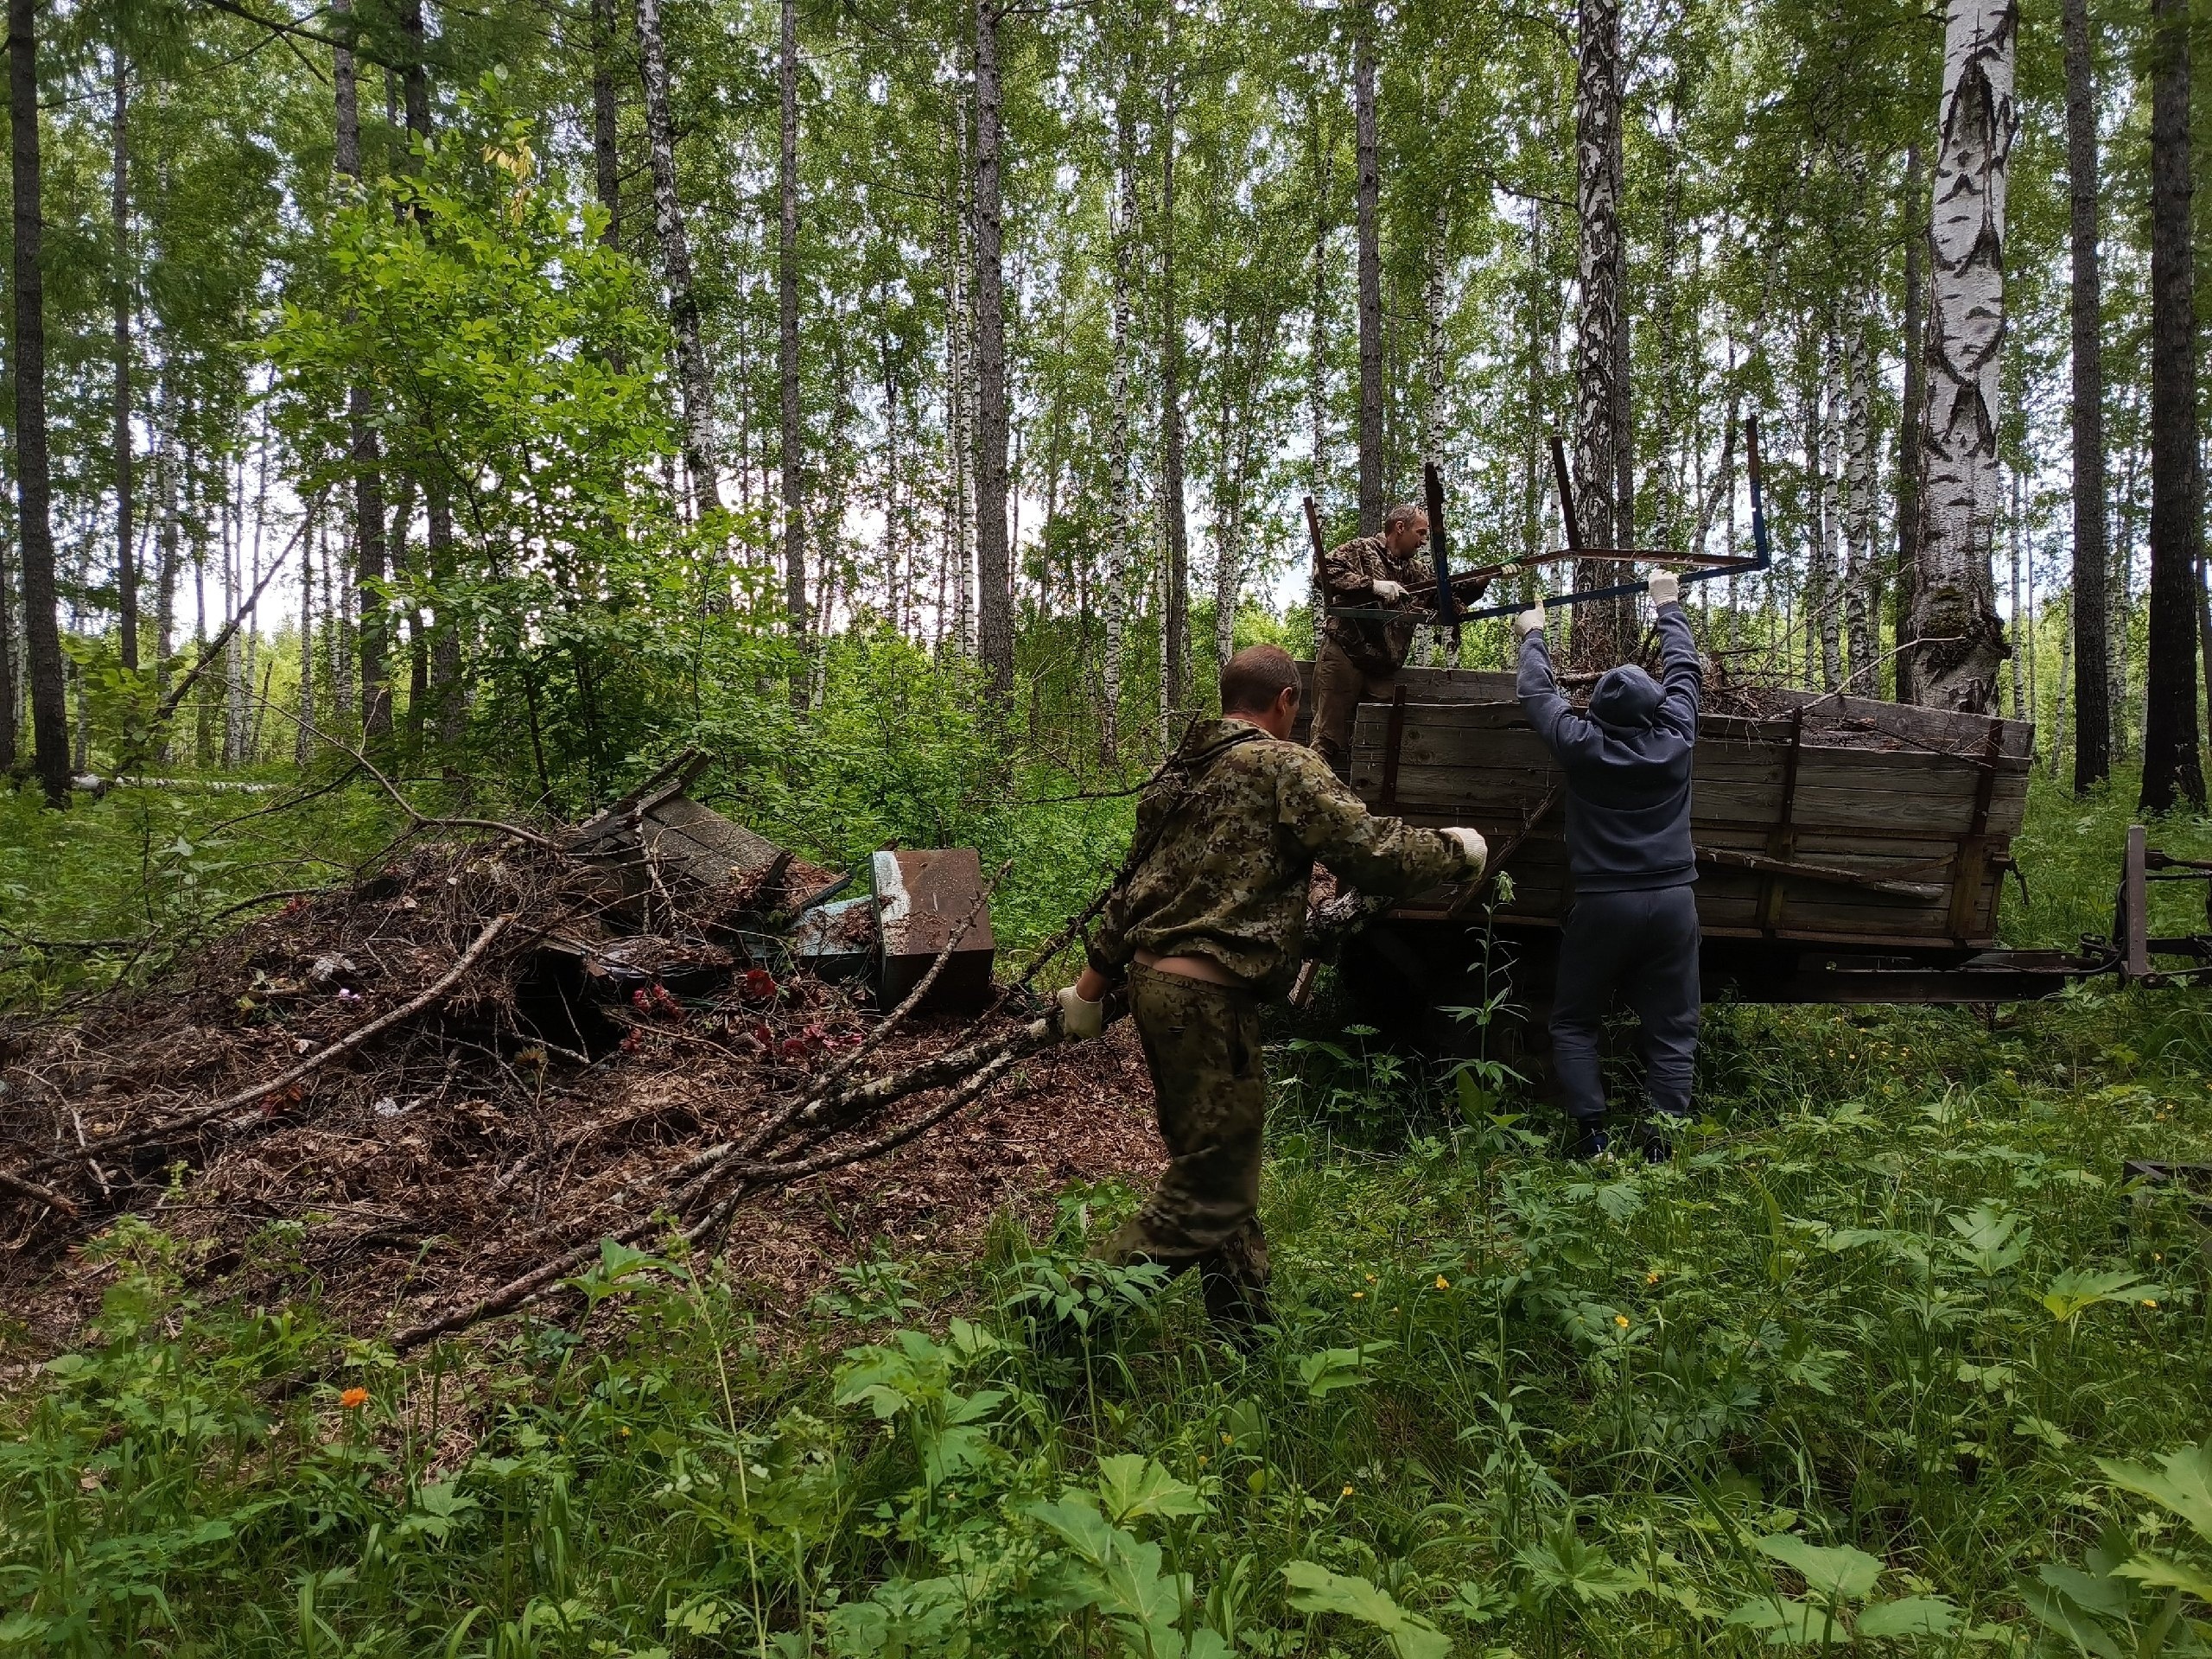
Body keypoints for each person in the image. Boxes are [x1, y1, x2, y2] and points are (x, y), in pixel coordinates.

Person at [1046, 643, 1488, 1338]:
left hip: (1162, 993)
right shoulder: (1285, 764)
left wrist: (1089, 991)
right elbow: (1370, 852)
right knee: (1210, 1194)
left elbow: (1130, 895)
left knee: (1221, 1162)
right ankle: (1062, 1319)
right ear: (1286, 702)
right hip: (1207, 1005)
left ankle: (1246, 1335)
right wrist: (1457, 851)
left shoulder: (1179, 773)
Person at [1512, 573, 1703, 1160]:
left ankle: (1593, 1140)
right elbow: (1685, 671)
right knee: (1673, 1029)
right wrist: (1666, 604)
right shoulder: (1676, 734)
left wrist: (1533, 635)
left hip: (1603, 903)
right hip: (1673, 901)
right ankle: (1660, 1148)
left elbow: (1537, 693)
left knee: (1573, 1021)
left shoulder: (1580, 741)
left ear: (1593, 708)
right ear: (1655, 706)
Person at [1309, 503, 1433, 777]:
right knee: (1327, 739)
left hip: (1381, 666)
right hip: (1346, 654)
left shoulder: (1415, 570)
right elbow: (1323, 572)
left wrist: (1484, 580)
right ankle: (1309, 807)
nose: (1424, 541)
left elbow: (1446, 593)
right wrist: (1372, 585)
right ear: (1400, 528)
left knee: (1384, 736)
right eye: (1421, 533)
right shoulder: (1361, 549)